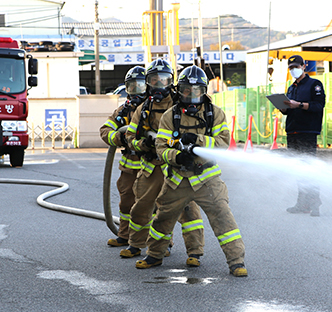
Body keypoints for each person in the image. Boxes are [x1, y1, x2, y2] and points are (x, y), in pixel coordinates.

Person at [136, 65, 247, 277]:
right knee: (162, 219)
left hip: (207, 179)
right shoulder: (171, 115)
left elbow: (224, 144)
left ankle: (236, 262)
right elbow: (161, 147)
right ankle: (154, 255)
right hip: (177, 179)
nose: (191, 94)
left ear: (204, 91)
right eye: (187, 90)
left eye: (196, 90)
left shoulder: (215, 114)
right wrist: (176, 157)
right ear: (179, 90)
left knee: (223, 218)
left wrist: (198, 140)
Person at [123, 59, 205, 268]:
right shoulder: (143, 109)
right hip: (153, 166)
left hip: (178, 166)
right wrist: (142, 143)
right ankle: (136, 244)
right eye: (154, 80)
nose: (160, 86)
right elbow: (130, 136)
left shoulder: (182, 104)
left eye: (164, 80)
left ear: (172, 81)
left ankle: (194, 252)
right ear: (147, 82)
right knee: (141, 207)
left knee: (188, 211)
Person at [100, 66, 146, 247]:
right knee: (126, 204)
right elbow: (104, 130)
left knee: (154, 205)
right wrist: (118, 137)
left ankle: (160, 242)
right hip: (128, 167)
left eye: (140, 86)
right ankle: (125, 235)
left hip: (151, 166)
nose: (135, 91)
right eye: (131, 87)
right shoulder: (123, 111)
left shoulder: (152, 109)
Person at [281, 55, 326, 217]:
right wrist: (284, 107)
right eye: (291, 67)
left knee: (308, 168)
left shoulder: (315, 84)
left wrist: (298, 105)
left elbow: (319, 106)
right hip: (292, 131)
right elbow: (289, 109)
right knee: (299, 169)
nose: (294, 70)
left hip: (307, 132)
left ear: (304, 66)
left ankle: (315, 204)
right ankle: (302, 203)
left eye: (296, 66)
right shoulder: (291, 87)